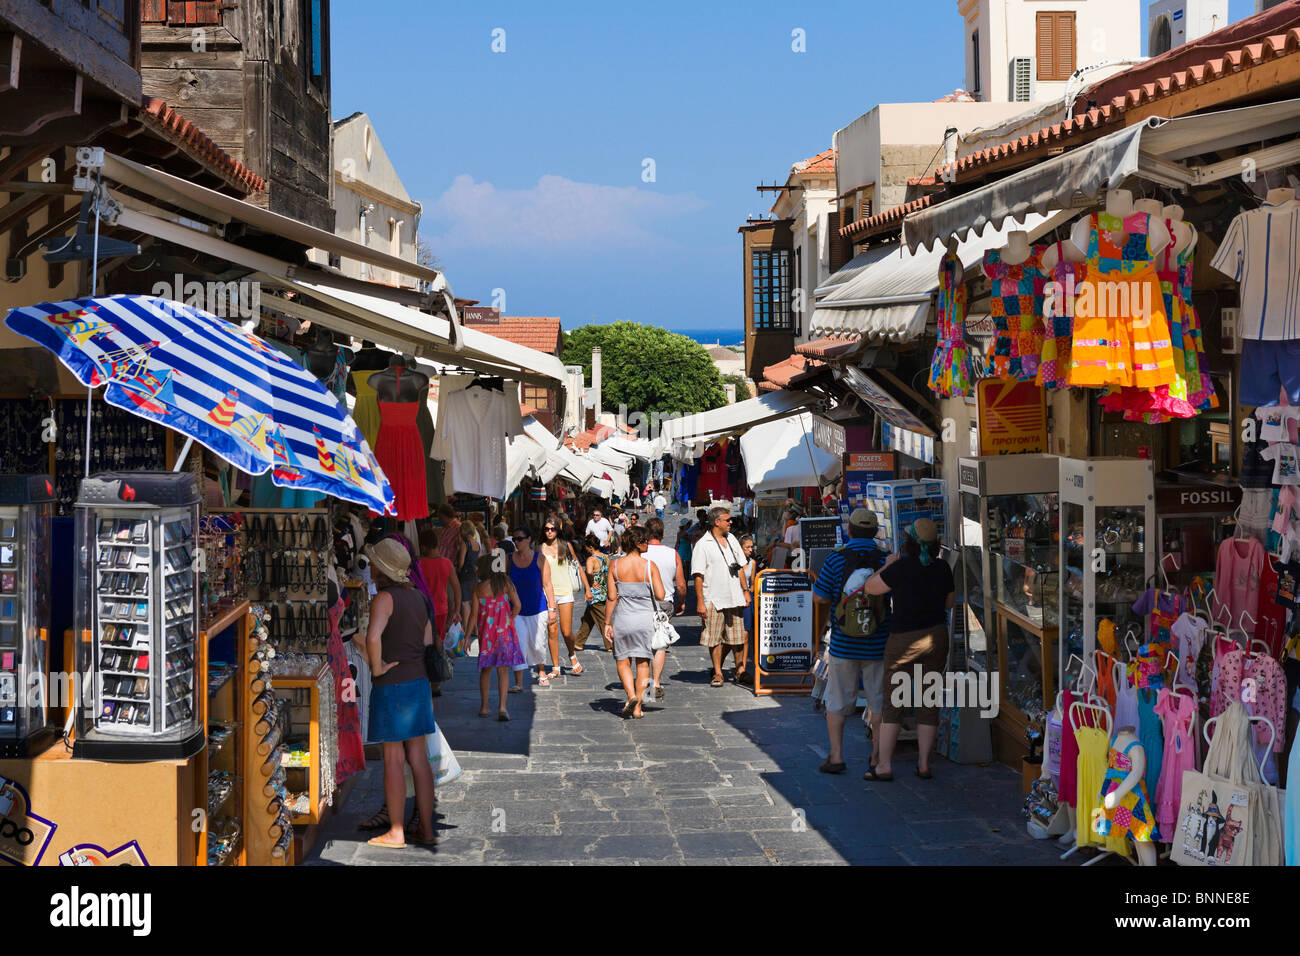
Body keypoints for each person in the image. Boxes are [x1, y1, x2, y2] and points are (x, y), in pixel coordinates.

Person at [354, 538, 438, 848]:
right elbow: (428, 640)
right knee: (419, 758)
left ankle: (397, 831)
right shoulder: (418, 597)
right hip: (418, 682)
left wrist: (376, 668)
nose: (371, 565)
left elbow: (373, 637)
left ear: (381, 568)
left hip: (392, 685)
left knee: (392, 758)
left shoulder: (385, 598)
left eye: (374, 561)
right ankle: (426, 828)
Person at [861, 518, 954, 781]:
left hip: (903, 639)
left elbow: (871, 587)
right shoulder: (943, 568)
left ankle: (884, 765)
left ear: (909, 542)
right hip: (935, 637)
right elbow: (948, 603)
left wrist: (886, 567)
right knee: (928, 701)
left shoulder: (900, 567)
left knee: (894, 702)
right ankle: (924, 764)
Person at [810, 509, 890, 776]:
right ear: (876, 532)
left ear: (851, 531)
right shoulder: (884, 560)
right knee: (878, 701)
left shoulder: (835, 560)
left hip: (844, 642)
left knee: (838, 699)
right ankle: (877, 757)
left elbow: (819, 598)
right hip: (878, 641)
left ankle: (836, 756)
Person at [605, 526, 665, 718]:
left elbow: (612, 598)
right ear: (638, 544)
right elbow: (660, 594)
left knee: (622, 661)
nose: (647, 543)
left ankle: (631, 695)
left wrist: (607, 622)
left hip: (623, 619)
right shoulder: (649, 566)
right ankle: (638, 706)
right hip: (644, 621)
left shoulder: (614, 566)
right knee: (643, 663)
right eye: (645, 540)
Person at [691, 507, 750, 687]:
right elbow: (698, 575)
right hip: (714, 598)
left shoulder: (731, 539)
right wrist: (700, 601)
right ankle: (718, 672)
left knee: (738, 637)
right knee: (714, 638)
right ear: (717, 522)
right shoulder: (703, 544)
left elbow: (740, 567)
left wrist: (745, 590)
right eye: (727, 520)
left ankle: (740, 670)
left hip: (734, 596)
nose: (730, 522)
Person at [466, 554, 523, 720]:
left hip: (487, 635)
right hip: (504, 633)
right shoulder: (505, 583)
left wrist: (468, 636)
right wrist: (509, 619)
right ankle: (503, 707)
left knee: (486, 670)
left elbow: (473, 615)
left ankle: (484, 707)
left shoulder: (478, 589)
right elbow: (518, 605)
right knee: (503, 670)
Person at [508, 525, 557, 686]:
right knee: (519, 644)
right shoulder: (508, 559)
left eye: (519, 539)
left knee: (537, 644)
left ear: (528, 539)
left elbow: (548, 584)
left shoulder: (540, 559)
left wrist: (552, 609)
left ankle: (541, 670)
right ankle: (519, 682)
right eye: (514, 539)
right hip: (516, 611)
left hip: (538, 608)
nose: (516, 542)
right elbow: (501, 581)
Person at [540, 518, 590, 677]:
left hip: (566, 591)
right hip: (548, 593)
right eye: (547, 529)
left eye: (552, 529)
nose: (549, 532)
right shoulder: (539, 548)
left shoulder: (565, 546)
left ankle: (572, 654)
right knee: (552, 630)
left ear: (557, 531)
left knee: (566, 631)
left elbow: (578, 567)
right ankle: (556, 667)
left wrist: (587, 589)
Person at [645, 517, 685, 700]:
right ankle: (657, 682)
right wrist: (681, 601)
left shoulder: (641, 553)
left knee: (645, 643)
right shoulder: (673, 554)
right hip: (665, 603)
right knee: (660, 643)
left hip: (643, 602)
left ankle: (644, 680)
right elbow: (682, 585)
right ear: (662, 534)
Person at [417, 529, 460, 642]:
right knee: (439, 640)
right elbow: (457, 589)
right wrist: (457, 610)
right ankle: (439, 658)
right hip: (442, 609)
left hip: (423, 609)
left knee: (424, 641)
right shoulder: (447, 563)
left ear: (423, 547)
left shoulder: (419, 563)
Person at [574, 533, 611, 652]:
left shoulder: (591, 560)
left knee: (603, 619)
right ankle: (578, 642)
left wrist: (591, 583)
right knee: (588, 619)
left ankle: (612, 643)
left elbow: (589, 573)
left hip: (594, 594)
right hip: (603, 591)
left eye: (586, 546)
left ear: (590, 547)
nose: (585, 549)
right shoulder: (605, 557)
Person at [738, 534, 757, 685]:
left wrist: (749, 589)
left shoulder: (753, 563)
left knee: (746, 635)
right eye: (747, 547)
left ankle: (742, 667)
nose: (750, 550)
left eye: (752, 547)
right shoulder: (735, 563)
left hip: (747, 600)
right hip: (735, 600)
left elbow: (753, 583)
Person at [456, 522, 482, 631]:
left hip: (465, 575)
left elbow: (461, 562)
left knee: (465, 603)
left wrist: (458, 569)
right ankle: (476, 628)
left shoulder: (465, 543)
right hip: (475, 575)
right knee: (473, 602)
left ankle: (466, 627)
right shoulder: (477, 544)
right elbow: (479, 560)